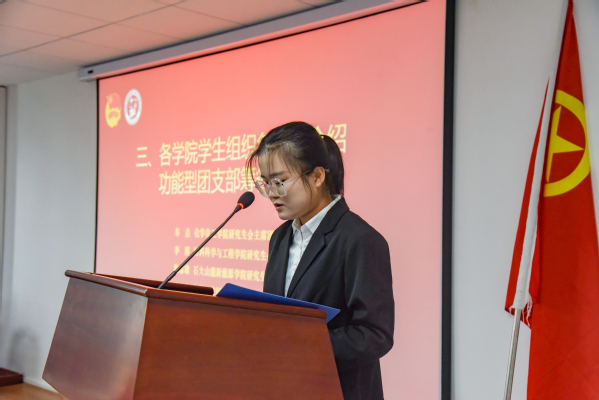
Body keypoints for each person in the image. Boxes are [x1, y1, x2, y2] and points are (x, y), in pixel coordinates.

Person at [246, 121, 395, 400]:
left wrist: (299, 343)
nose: (272, 193)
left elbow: (375, 335)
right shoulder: (280, 238)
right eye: (265, 183)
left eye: (280, 181)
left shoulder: (360, 239)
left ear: (316, 177)